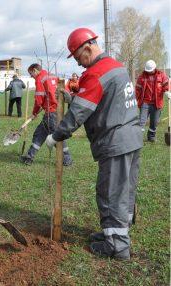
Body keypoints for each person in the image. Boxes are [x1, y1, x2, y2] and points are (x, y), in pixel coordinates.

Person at [46, 28, 143, 260]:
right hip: (131, 138)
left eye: (79, 58)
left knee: (111, 192)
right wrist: (72, 97)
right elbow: (100, 99)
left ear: (87, 47)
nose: (79, 64)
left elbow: (79, 113)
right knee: (124, 190)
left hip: (115, 141)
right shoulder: (116, 67)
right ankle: (117, 233)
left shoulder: (96, 72)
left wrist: (56, 135)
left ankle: (117, 246)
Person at [20, 63, 72, 166]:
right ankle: (29, 157)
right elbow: (65, 91)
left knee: (57, 136)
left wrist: (34, 113)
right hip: (56, 111)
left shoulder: (40, 79)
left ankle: (67, 160)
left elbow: (39, 100)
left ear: (35, 70)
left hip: (52, 113)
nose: (31, 76)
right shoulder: (53, 76)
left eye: (31, 73)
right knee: (39, 134)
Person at [135, 60, 169, 142]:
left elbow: (166, 85)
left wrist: (167, 91)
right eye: (148, 70)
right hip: (145, 103)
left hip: (157, 103)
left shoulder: (161, 75)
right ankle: (137, 139)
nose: (149, 72)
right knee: (142, 122)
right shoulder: (142, 77)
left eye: (151, 70)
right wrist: (135, 99)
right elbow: (138, 89)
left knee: (154, 122)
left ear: (154, 68)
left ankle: (151, 137)